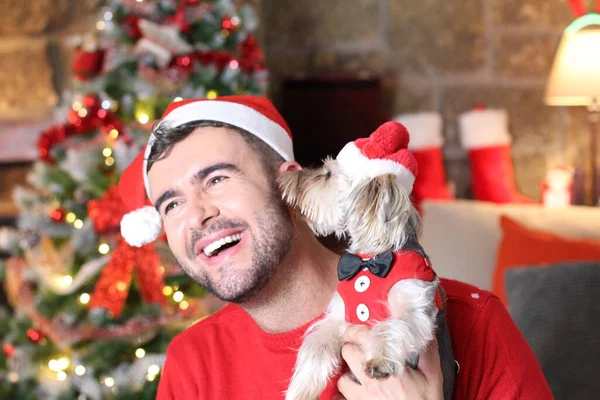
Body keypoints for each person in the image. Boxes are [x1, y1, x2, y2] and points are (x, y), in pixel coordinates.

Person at [118, 96, 554, 400]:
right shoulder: (192, 363)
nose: (195, 215)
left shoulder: (472, 324)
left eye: (216, 179)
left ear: (289, 185)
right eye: (171, 204)